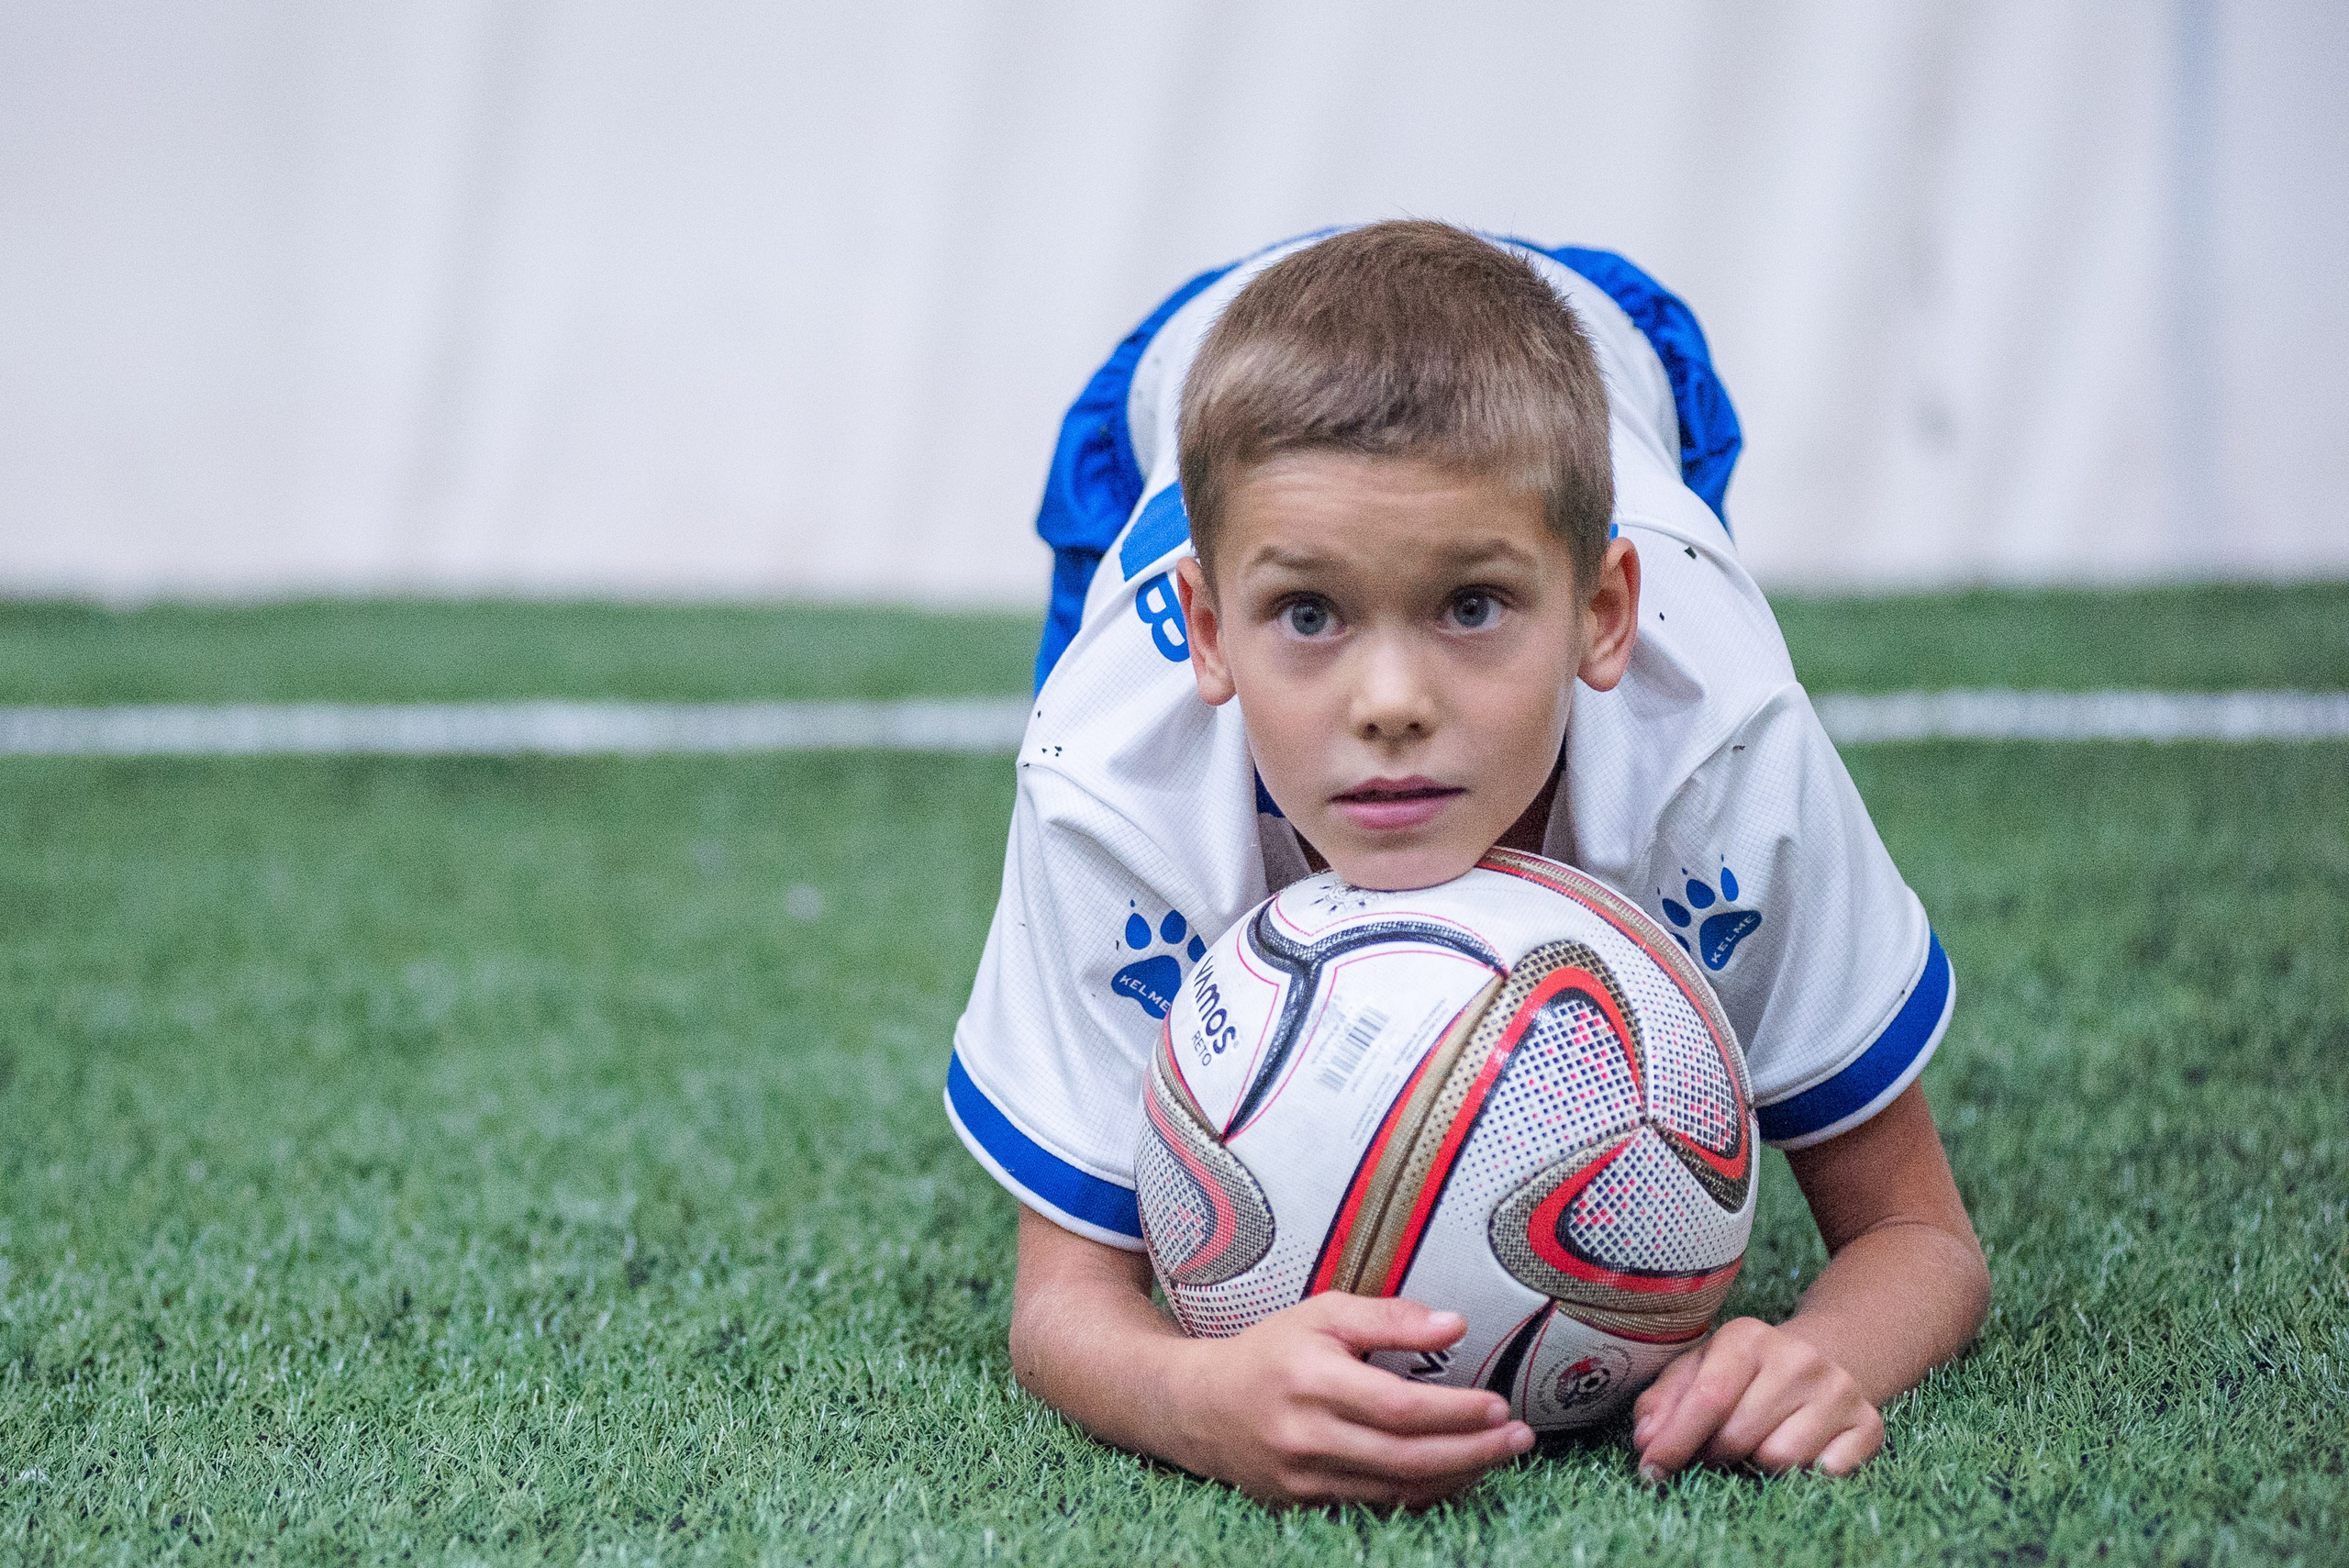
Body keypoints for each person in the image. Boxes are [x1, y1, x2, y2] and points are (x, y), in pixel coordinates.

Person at [945, 221, 1988, 1507]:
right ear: (1210, 631)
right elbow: (1066, 1305)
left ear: (1604, 613)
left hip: (1597, 338)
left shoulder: (1721, 745)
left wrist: (1819, 1355)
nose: (1391, 701)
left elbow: (1917, 1233)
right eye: (1308, 615)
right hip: (1184, 366)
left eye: (1474, 605)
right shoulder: (1109, 781)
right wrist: (1197, 1398)